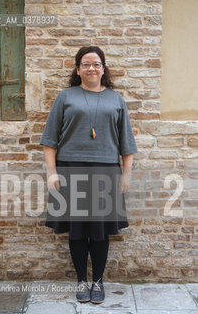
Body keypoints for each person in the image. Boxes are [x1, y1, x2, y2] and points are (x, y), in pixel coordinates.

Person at [40, 46, 137, 304]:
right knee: (77, 230)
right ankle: (81, 279)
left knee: (100, 231)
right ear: (77, 69)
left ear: (103, 69)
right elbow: (49, 140)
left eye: (96, 63)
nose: (91, 68)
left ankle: (98, 281)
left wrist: (126, 174)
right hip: (71, 170)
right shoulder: (65, 97)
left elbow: (127, 142)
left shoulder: (116, 100)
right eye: (86, 63)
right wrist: (52, 173)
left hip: (105, 170)